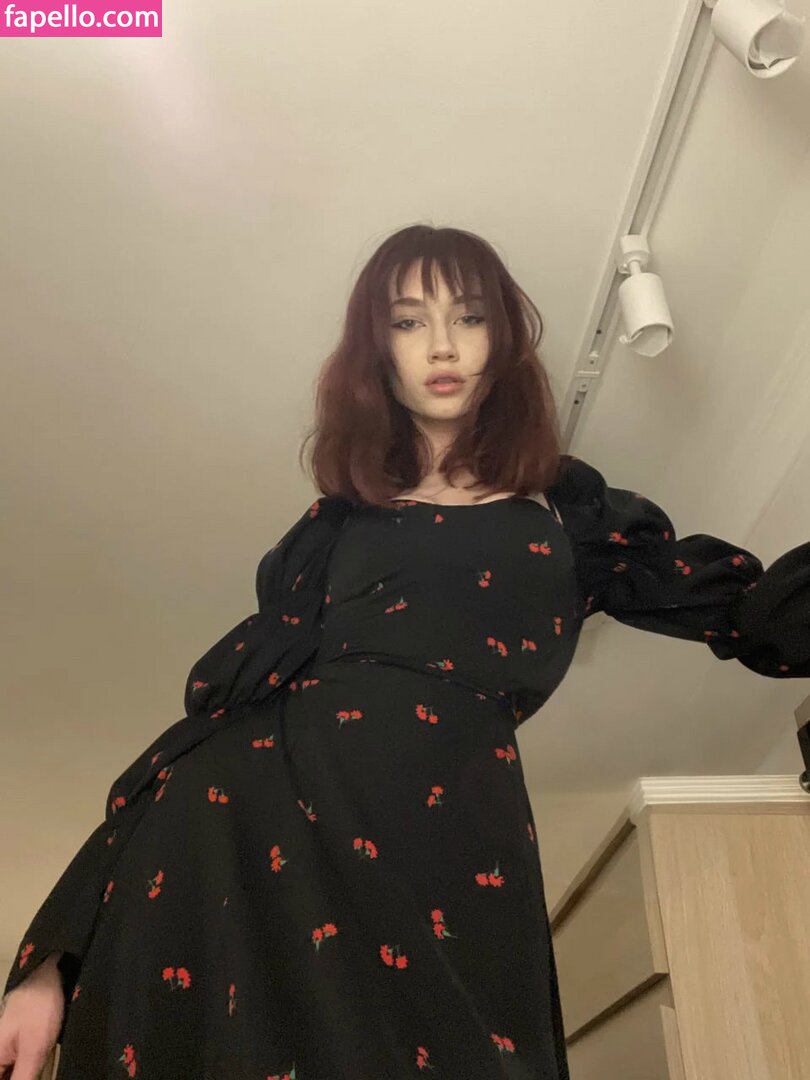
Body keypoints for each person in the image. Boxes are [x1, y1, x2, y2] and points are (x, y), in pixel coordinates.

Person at [1, 224, 809, 1080]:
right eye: (408, 321)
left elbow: (748, 614)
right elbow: (206, 733)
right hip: (256, 832)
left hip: (455, 839)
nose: (443, 345)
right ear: (376, 349)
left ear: (503, 338)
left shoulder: (564, 511)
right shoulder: (334, 530)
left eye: (469, 317)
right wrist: (53, 959)